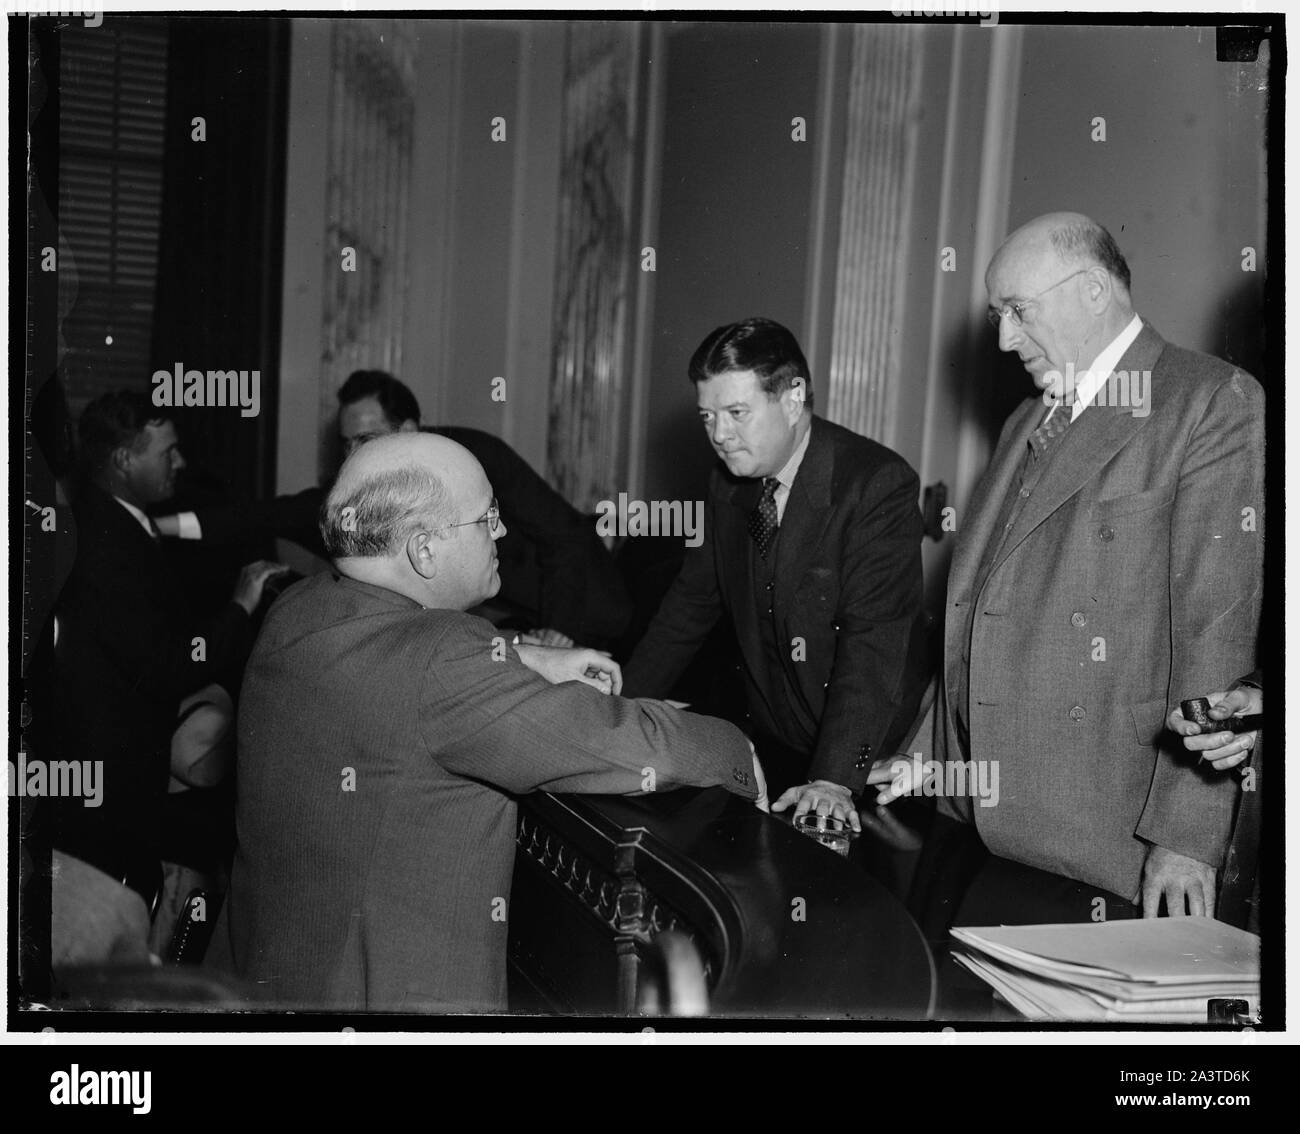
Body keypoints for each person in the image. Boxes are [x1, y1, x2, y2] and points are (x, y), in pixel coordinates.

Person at [206, 432, 764, 1012]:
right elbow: (628, 745)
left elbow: (392, 650)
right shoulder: (444, 661)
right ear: (424, 551)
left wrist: (523, 651)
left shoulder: (299, 606)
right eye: (487, 517)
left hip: (270, 985)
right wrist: (734, 746)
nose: (502, 532)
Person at [917, 213, 1263, 928]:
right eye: (997, 315)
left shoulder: (1209, 402)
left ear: (1095, 291)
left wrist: (1186, 837)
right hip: (984, 813)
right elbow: (980, 602)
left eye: (1019, 311)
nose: (1005, 338)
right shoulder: (1027, 418)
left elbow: (1215, 632)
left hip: (1107, 837)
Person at [621, 317, 927, 825]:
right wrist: (622, 709)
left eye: (737, 412)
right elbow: (691, 604)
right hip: (778, 739)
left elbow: (873, 644)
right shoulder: (728, 482)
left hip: (867, 759)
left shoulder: (875, 484)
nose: (719, 435)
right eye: (707, 417)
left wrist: (833, 778)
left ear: (791, 399)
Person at [38, 391, 284, 961]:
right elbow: (167, 665)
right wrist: (242, 606)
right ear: (124, 461)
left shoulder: (116, 523)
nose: (179, 463)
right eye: (167, 451)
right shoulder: (107, 546)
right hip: (109, 784)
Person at [157, 370, 631, 646]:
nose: (352, 457)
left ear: (408, 429)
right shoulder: (367, 479)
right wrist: (156, 525)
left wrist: (558, 631)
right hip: (513, 625)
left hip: (583, 609)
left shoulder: (476, 455)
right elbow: (270, 513)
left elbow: (566, 535)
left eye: (366, 440)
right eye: (346, 443)